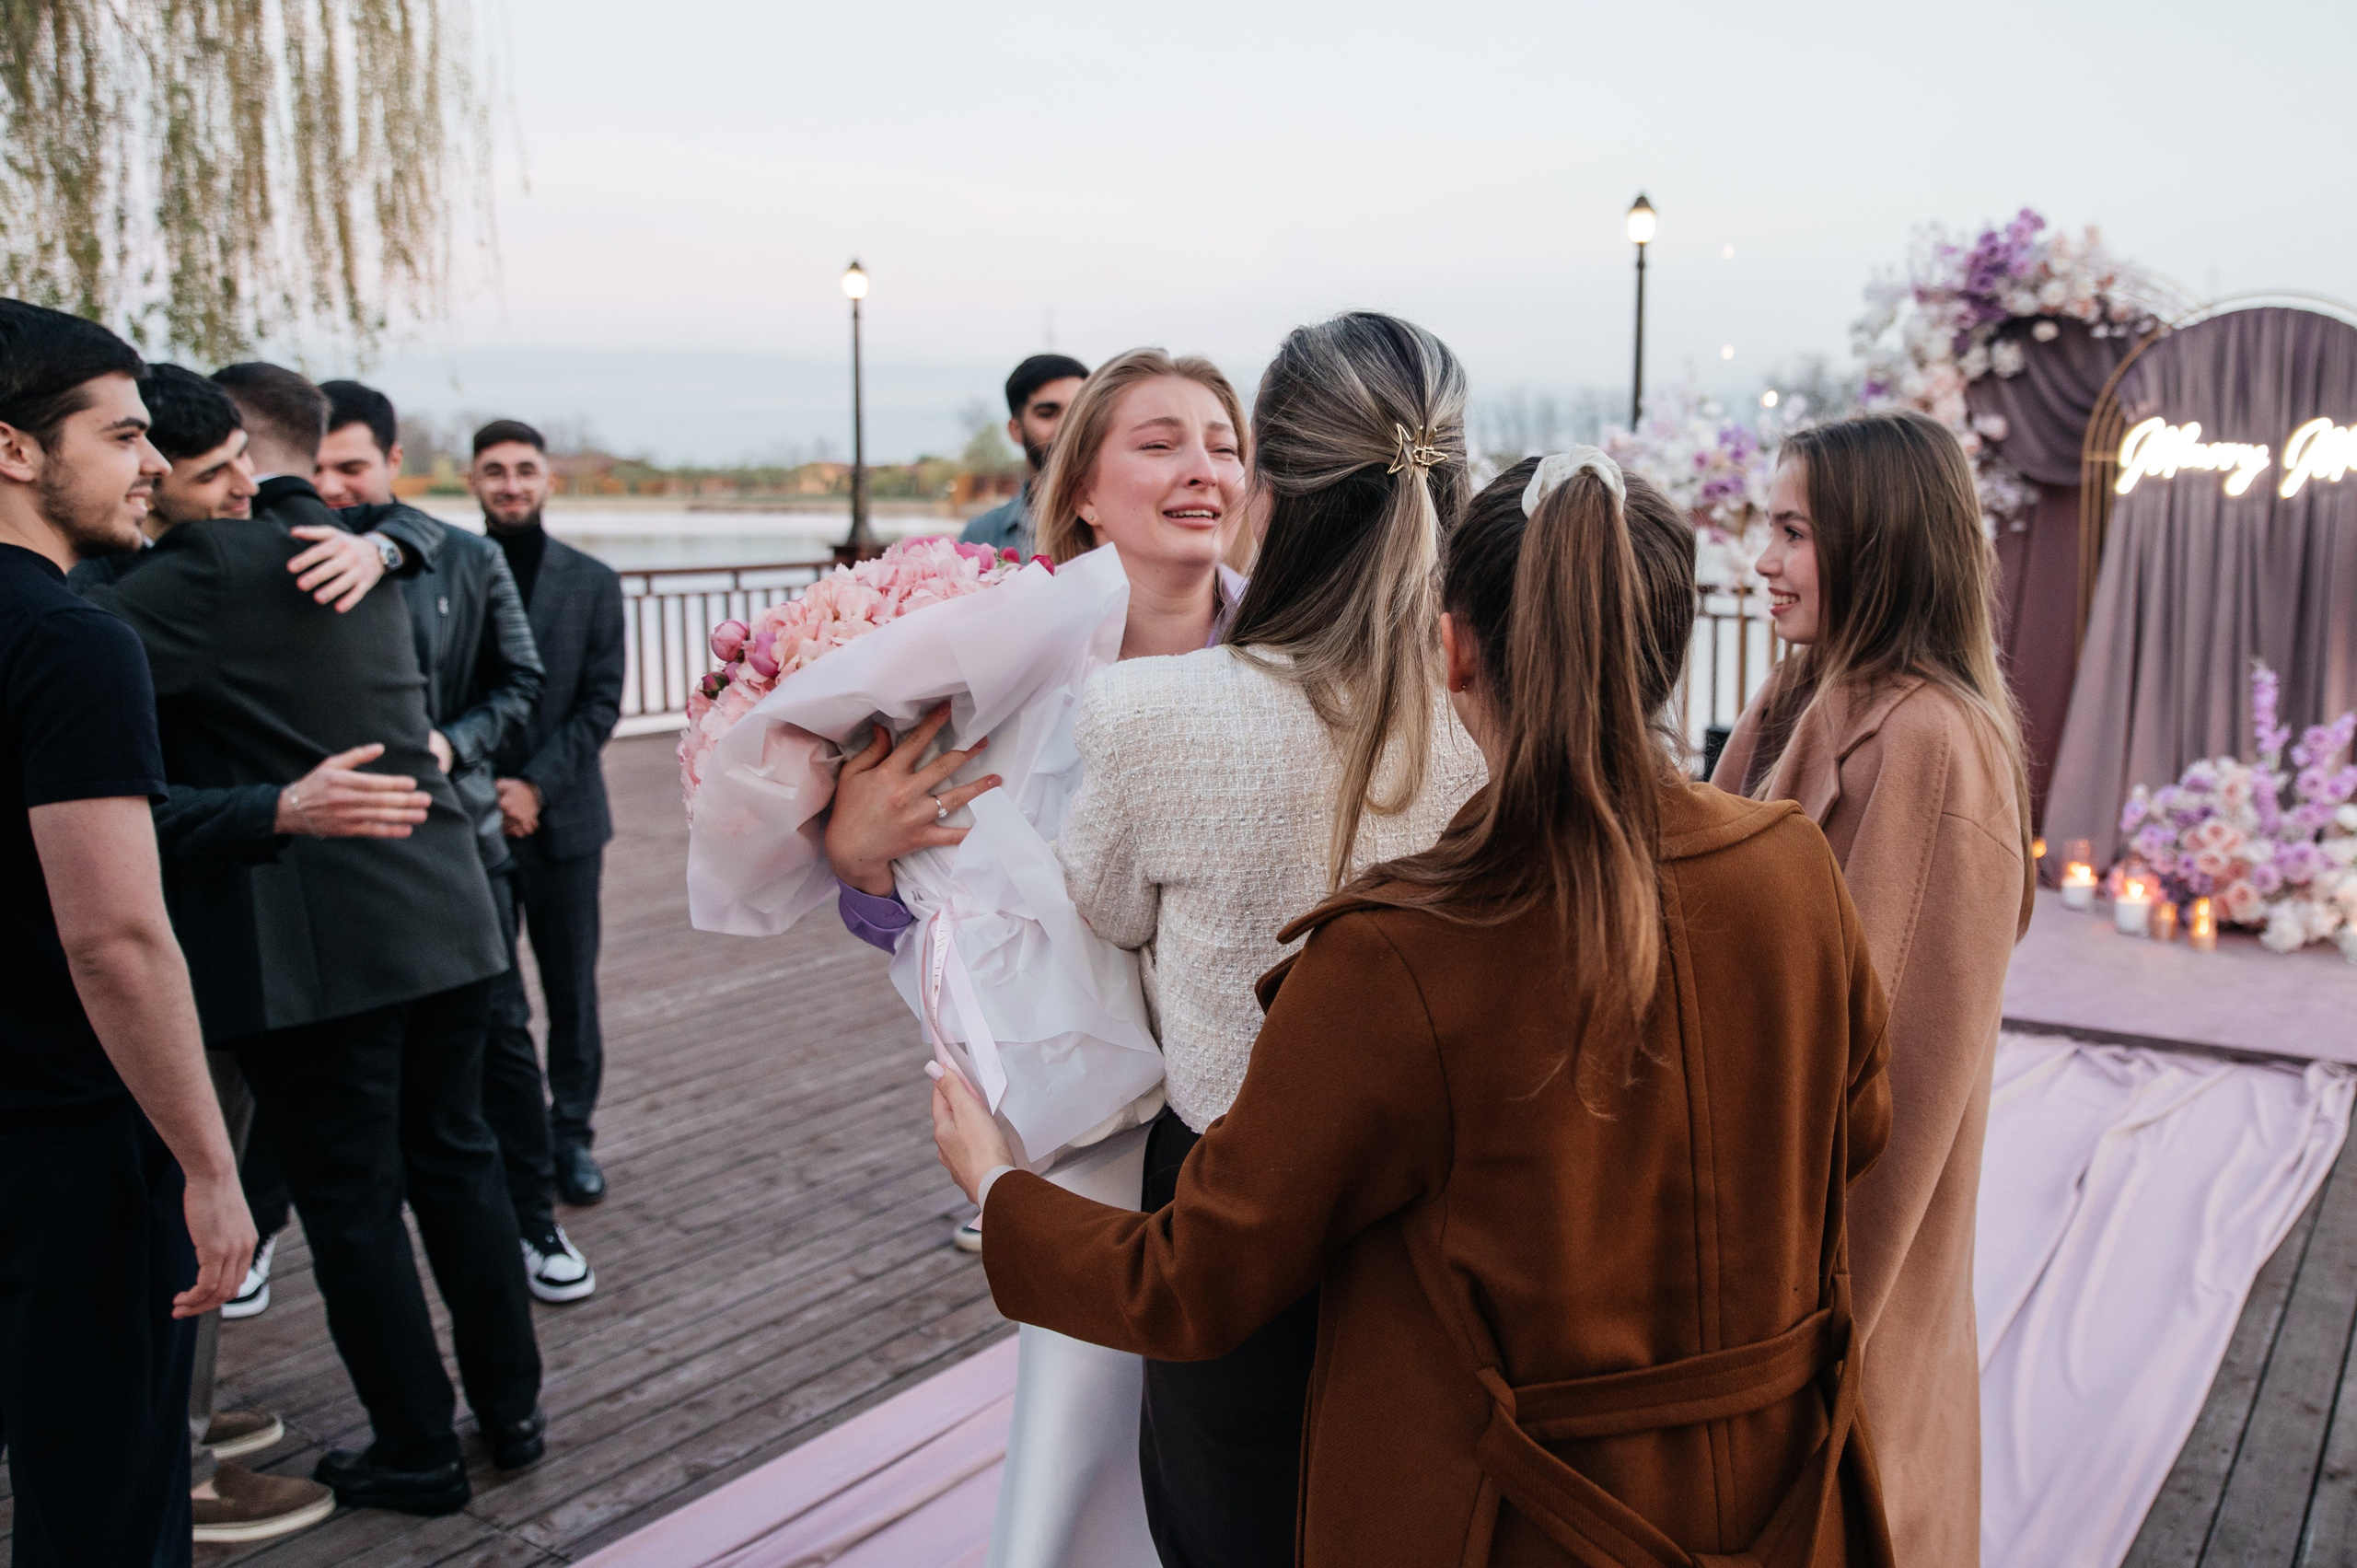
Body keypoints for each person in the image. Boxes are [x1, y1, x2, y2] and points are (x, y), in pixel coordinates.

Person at [932, 447, 1899, 1568]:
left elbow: (1196, 1280)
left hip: (1515, 1516)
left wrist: (1000, 1192)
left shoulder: (1397, 954)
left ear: (1450, 648)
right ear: (1669, 651)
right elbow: (1856, 1127)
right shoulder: (1789, 870)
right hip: (1778, 1489)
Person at [86, 362, 547, 1518]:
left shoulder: (194, 574)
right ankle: (512, 1411)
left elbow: (59, 633)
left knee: (350, 1198)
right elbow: (404, 536)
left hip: (316, 946)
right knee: (460, 1165)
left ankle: (417, 1452)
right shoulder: (361, 545)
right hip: (445, 911)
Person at [824, 346, 1252, 1568]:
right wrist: (859, 855)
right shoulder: (998, 668)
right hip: (1090, 1117)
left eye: (1222, 441)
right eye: (1160, 441)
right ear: (1080, 490)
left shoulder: (1295, 652)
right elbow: (920, 904)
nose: (1201, 467)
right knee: (1086, 1422)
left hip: (1256, 1108)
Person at [1711, 409, 2034, 1568]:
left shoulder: (1933, 745)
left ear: (1880, 544)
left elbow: (1898, 1076)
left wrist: (1809, 1335)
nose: (1761, 558)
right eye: (1768, 525)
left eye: (1793, 532)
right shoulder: (1794, 696)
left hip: (1827, 1268)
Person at [0, 298, 257, 1568]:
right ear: (16, 450)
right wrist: (209, 1166)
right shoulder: (69, 641)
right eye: (123, 434)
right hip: (62, 1146)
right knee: (101, 1506)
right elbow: (114, 935)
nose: (150, 463)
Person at [316, 381, 590, 1303]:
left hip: (471, 835)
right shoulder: (272, 562)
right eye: (313, 467)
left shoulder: (462, 558)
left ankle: (540, 1210)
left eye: (348, 464)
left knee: (512, 1024)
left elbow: (537, 684)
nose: (330, 484)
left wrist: (458, 751)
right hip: (326, 850)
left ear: (392, 463)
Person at [473, 418, 626, 1208]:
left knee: (571, 991)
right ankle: (513, 1139)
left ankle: (572, 1137)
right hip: (472, 823)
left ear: (547, 480)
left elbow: (600, 705)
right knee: (494, 998)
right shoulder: (447, 572)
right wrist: (490, 790)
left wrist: (534, 786)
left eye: (524, 470)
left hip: (565, 820)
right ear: (473, 480)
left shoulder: (594, 581)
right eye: (494, 470)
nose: (510, 484)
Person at [959, 354, 1089, 555]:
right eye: (1047, 413)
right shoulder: (981, 537)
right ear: (1016, 430)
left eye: (1078, 412)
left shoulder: (1124, 523)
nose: (1068, 427)